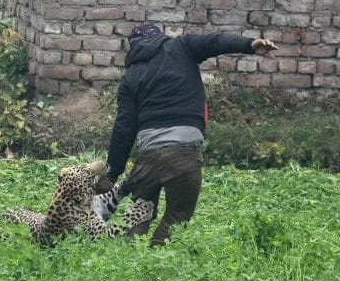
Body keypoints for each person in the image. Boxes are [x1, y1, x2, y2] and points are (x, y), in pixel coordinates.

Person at [105, 24, 278, 245]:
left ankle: (129, 256)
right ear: (161, 37)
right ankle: (158, 258)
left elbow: (124, 128)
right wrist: (250, 44)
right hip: (184, 150)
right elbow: (215, 42)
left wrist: (111, 174)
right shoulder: (182, 46)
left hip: (148, 153)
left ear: (134, 48)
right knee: (177, 216)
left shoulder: (131, 76)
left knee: (139, 215)